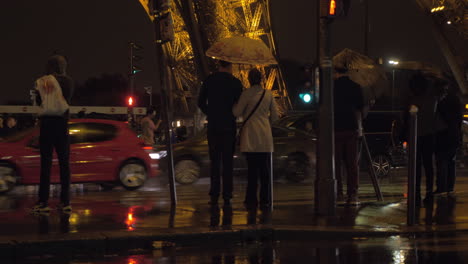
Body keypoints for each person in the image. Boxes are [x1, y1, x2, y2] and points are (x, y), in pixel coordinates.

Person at [32, 55, 74, 213]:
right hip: (62, 124)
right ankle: (66, 202)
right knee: (64, 164)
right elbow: (67, 100)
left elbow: (39, 100)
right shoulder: (69, 81)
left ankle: (43, 202)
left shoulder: (43, 80)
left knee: (46, 164)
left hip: (47, 124)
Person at [198, 60, 243, 206]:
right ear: (230, 66)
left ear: (219, 65)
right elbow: (240, 104)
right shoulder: (235, 82)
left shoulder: (210, 80)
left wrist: (210, 113)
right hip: (229, 126)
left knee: (215, 161)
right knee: (228, 162)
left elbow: (200, 102)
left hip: (214, 126)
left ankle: (214, 192)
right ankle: (228, 193)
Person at [233, 68, 279, 210]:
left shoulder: (246, 94)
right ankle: (265, 198)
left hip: (250, 136)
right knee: (265, 171)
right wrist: (265, 123)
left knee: (252, 171)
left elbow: (236, 112)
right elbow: (276, 117)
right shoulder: (268, 94)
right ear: (261, 79)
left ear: (249, 79)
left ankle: (251, 198)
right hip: (265, 136)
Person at [404, 72, 438, 206]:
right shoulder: (433, 100)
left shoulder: (411, 100)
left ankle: (415, 194)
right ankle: (429, 193)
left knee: (415, 167)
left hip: (415, 136)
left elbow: (406, 119)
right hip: (429, 135)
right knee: (429, 166)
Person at [333, 67, 365, 205]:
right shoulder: (355, 86)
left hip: (335, 128)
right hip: (351, 128)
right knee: (352, 164)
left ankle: (338, 193)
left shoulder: (331, 87)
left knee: (337, 164)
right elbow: (360, 107)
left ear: (336, 72)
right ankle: (352, 194)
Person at [434, 79, 462, 196]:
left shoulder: (440, 101)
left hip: (442, 134)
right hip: (454, 134)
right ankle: (450, 187)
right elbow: (459, 119)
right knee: (451, 161)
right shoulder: (455, 100)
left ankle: (441, 187)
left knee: (441, 162)